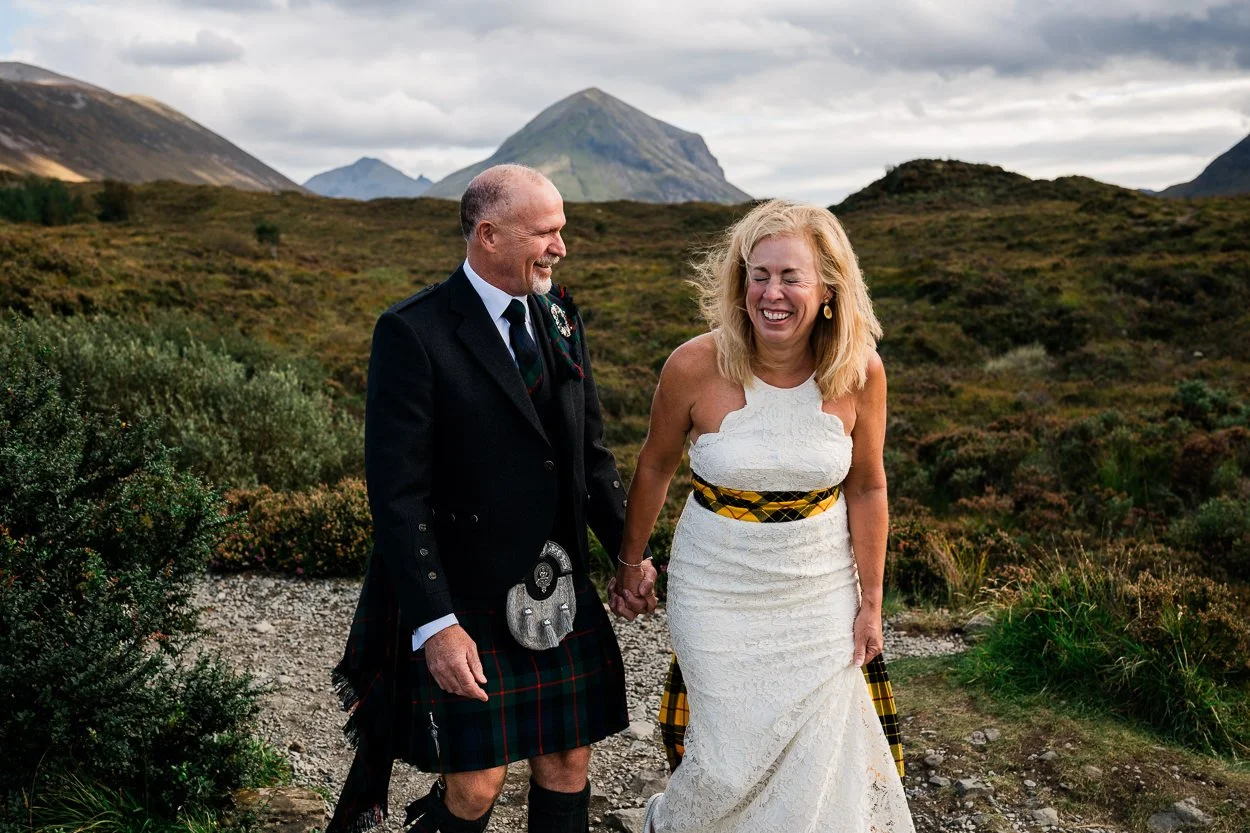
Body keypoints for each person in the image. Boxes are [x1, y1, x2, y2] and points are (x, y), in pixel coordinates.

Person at [328, 164, 658, 833]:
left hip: (557, 581)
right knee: (476, 784)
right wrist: (436, 624)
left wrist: (629, 554)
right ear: (488, 234)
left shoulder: (561, 316)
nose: (560, 247)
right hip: (467, 590)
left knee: (567, 760)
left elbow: (589, 455)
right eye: (545, 232)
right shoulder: (414, 331)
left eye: (561, 230)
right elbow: (398, 496)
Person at [614, 199, 915, 832]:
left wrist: (872, 600)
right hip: (715, 587)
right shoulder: (693, 365)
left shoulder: (861, 373)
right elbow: (654, 467)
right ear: (739, 282)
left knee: (816, 757)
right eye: (758, 275)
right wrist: (629, 562)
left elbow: (866, 487)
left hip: (819, 592)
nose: (771, 293)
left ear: (828, 288)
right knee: (725, 761)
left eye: (790, 277)